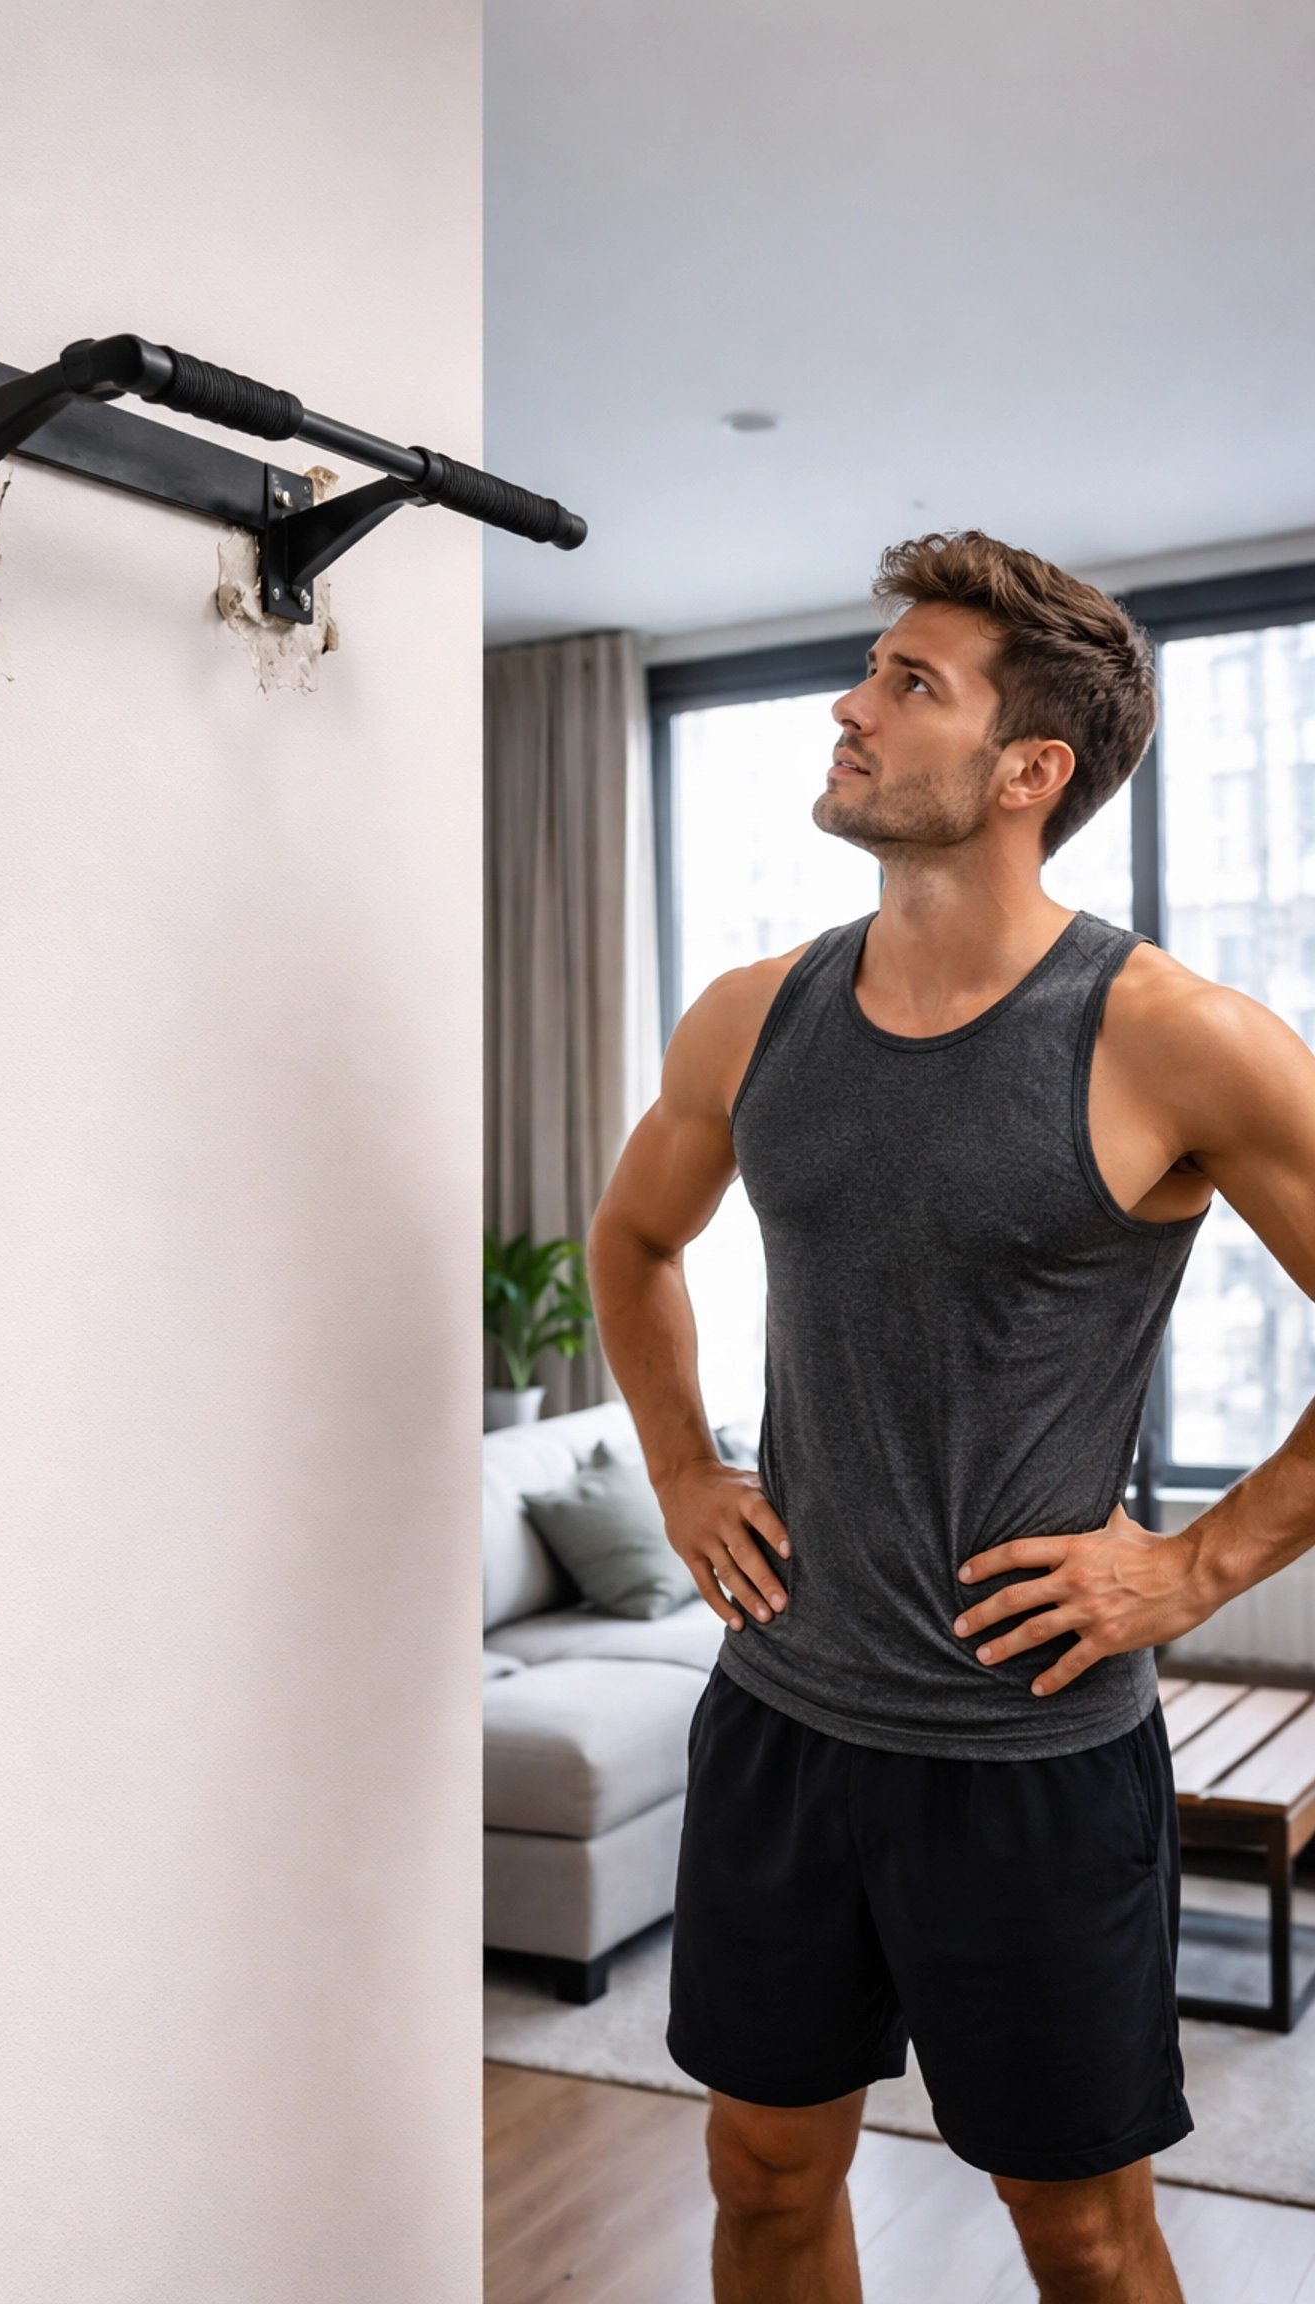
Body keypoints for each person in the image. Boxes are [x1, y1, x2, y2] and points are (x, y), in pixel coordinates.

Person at [588, 530, 1315, 2304]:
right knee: (762, 2176)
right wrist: (680, 1466)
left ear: (1027, 770)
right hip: (782, 1722)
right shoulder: (752, 1018)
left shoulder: (1176, 1037)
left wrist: (1194, 1570)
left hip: (1031, 1762)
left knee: (1081, 2231)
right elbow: (634, 1237)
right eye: (872, 668)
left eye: (910, 683)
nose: (850, 705)